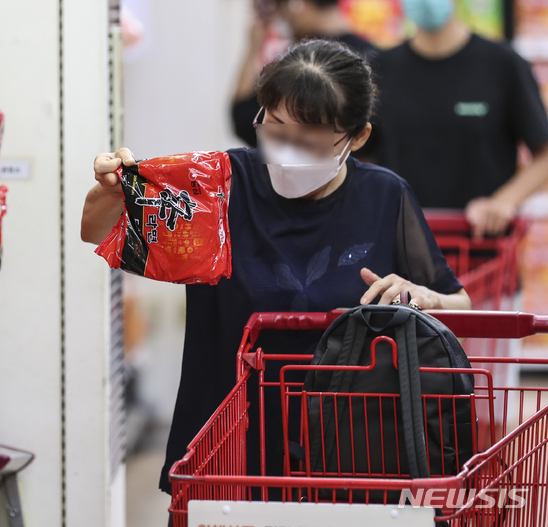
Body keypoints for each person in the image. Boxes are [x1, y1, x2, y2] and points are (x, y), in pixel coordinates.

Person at [81, 40, 471, 502]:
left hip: (350, 451)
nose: (285, 151)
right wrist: (110, 189)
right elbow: (95, 231)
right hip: (225, 445)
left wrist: (423, 297)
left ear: (357, 137)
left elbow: (457, 303)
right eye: (274, 129)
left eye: (307, 140)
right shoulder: (219, 187)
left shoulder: (385, 197)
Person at [374, 0, 548, 238]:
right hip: (400, 249)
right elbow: (359, 154)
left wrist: (503, 201)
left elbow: (544, 153)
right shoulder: (379, 69)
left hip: (481, 251)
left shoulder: (503, 64)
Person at [232, 0, 377, 148]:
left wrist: (253, 47)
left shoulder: (296, 61)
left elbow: (242, 116)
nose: (285, 17)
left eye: (285, 5)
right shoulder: (374, 55)